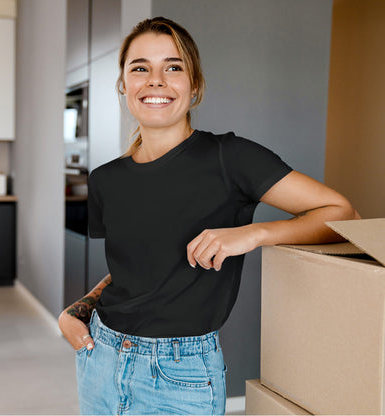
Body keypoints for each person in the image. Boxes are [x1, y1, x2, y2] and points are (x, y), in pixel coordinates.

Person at [58, 16, 360, 416]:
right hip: (100, 359)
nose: (156, 80)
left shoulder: (230, 158)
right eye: (140, 68)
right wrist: (77, 309)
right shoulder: (105, 180)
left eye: (173, 67)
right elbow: (134, 272)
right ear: (124, 85)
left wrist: (252, 234)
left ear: (194, 85)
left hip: (180, 375)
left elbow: (344, 214)